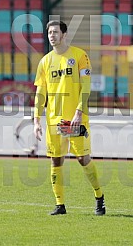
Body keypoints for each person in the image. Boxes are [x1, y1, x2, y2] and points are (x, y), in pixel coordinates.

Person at [33, 20, 106, 216]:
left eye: (55, 32)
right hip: (54, 120)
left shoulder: (79, 56)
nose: (52, 36)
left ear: (64, 34)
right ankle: (60, 205)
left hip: (75, 119)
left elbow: (86, 86)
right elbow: (41, 93)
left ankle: (99, 197)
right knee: (56, 161)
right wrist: (36, 120)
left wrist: (80, 111)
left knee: (83, 158)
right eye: (49, 33)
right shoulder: (45, 62)